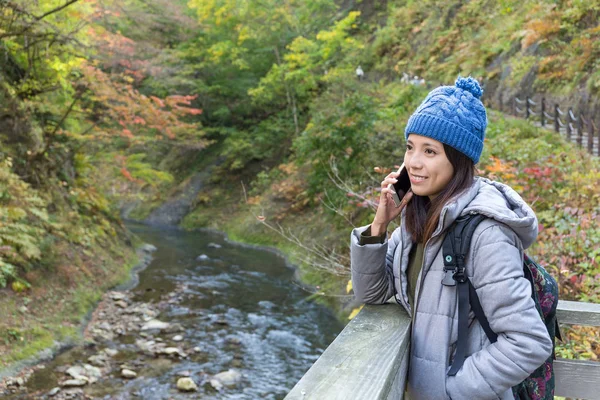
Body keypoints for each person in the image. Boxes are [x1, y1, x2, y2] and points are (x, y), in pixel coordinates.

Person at [350, 76, 552, 400]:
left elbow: (528, 342)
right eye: (410, 147)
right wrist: (379, 223)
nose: (414, 162)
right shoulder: (420, 219)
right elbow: (372, 292)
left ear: (458, 160)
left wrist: (450, 391)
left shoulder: (486, 234)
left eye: (430, 151)